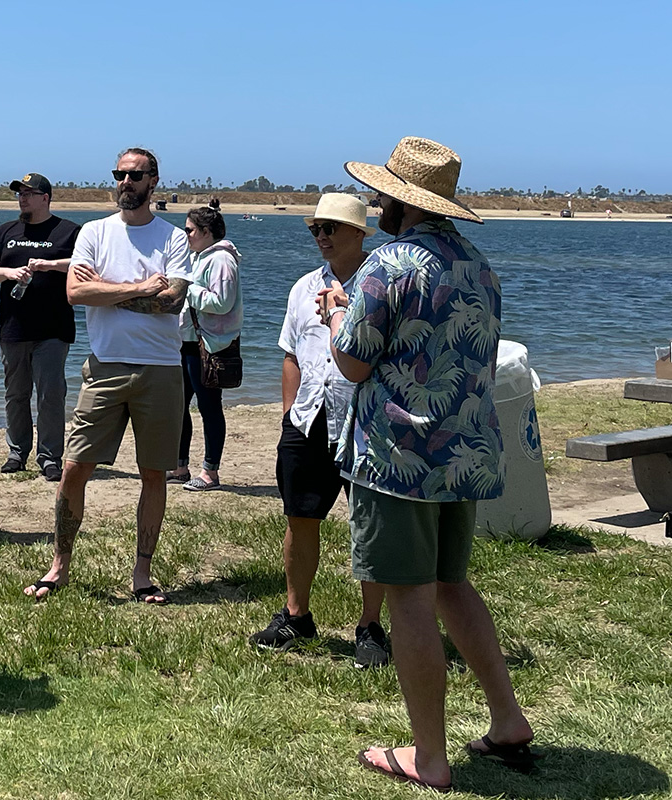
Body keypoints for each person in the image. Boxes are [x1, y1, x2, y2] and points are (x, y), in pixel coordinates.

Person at [321, 137, 535, 791]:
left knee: (409, 599)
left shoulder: (389, 265)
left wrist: (334, 318)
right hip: (463, 456)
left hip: (399, 459)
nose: (376, 203)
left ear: (399, 201)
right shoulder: (479, 266)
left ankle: (429, 757)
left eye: (383, 193)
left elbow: (354, 362)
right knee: (451, 585)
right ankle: (506, 720)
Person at [24, 147, 192, 604]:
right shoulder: (95, 233)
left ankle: (142, 572)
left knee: (153, 473)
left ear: (153, 181)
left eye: (135, 175)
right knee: (75, 467)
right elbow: (76, 292)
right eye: (119, 174)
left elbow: (173, 301)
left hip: (161, 369)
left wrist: (108, 291)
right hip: (104, 367)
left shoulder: (173, 239)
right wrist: (140, 286)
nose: (125, 182)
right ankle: (59, 565)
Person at [247, 194, 389, 669]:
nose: (322, 236)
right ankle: (296, 614)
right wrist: (290, 415)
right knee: (299, 518)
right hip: (309, 419)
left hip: (367, 422)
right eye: (315, 229)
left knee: (370, 525)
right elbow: (291, 353)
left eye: (330, 228)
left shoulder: (381, 284)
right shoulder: (304, 287)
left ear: (357, 233)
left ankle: (371, 626)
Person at [0, 172, 80, 482]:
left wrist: (48, 265)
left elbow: (84, 265)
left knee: (50, 395)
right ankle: (17, 452)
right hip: (13, 328)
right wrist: (8, 272)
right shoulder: (5, 231)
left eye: (29, 194)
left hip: (53, 329)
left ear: (45, 198)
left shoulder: (68, 231)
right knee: (15, 394)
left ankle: (49, 457)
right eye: (20, 193)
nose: (23, 198)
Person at [168, 207, 242, 492]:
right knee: (178, 406)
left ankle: (210, 472)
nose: (185, 234)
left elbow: (222, 302)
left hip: (210, 344)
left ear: (205, 232)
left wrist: (187, 289)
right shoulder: (200, 257)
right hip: (188, 342)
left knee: (209, 408)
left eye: (189, 229)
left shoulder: (222, 259)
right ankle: (179, 466)